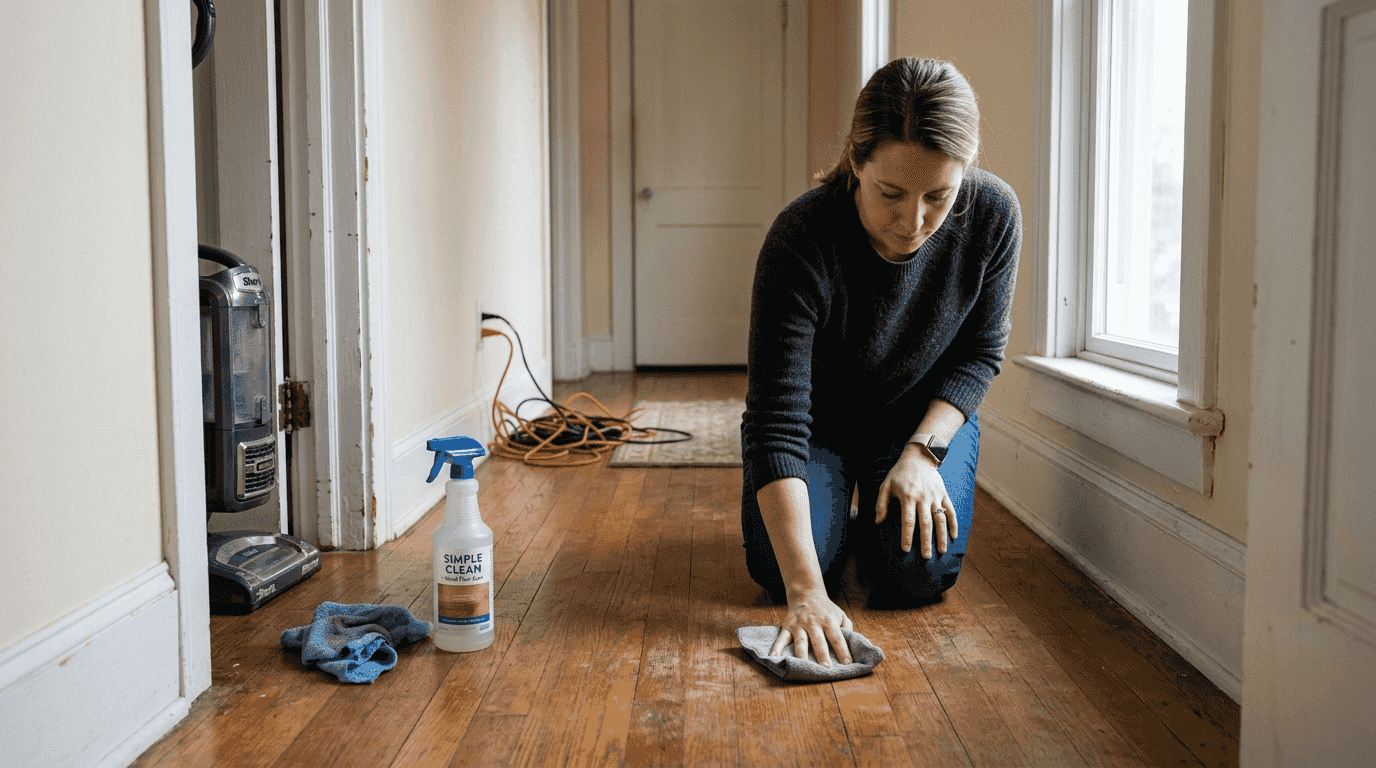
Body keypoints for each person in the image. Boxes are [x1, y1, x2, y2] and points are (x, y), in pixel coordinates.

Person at [740, 57, 1021, 667]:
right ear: (856, 160)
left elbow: (980, 353)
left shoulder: (995, 214)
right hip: (818, 424)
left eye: (939, 196)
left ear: (966, 172)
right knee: (777, 568)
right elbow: (775, 422)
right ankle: (836, 514)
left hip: (919, 419)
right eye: (891, 193)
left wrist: (924, 454)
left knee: (917, 574)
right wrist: (807, 592)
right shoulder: (799, 238)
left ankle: (869, 513)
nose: (913, 222)